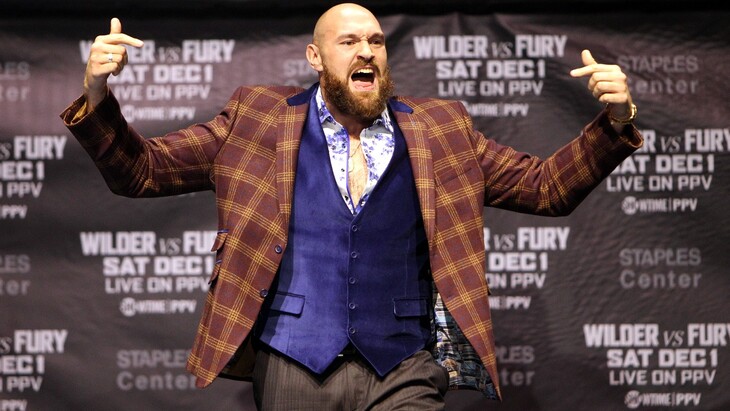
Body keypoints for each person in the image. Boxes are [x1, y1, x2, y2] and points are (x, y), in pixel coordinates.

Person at [61, 3, 642, 410]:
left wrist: (615, 123)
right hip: (293, 363)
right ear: (315, 57)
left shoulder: (442, 128)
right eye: (349, 42)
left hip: (405, 364)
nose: (366, 51)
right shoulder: (257, 119)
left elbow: (545, 188)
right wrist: (96, 94)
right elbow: (142, 171)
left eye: (376, 41)